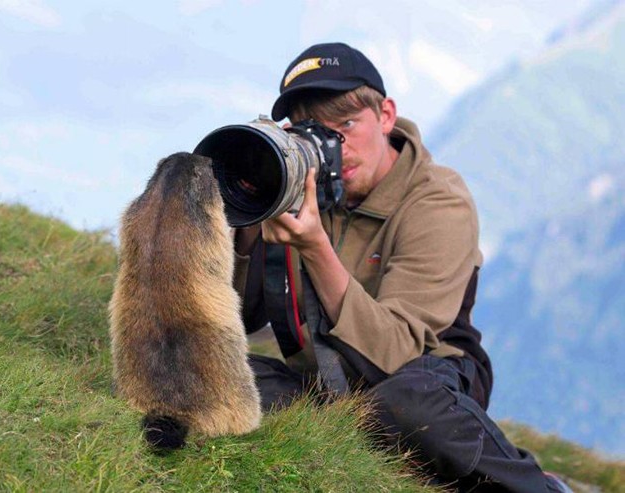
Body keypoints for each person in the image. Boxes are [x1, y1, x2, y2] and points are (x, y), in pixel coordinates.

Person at [232, 42, 572, 493]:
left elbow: (396, 354)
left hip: (431, 375)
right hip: (327, 381)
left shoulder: (437, 200)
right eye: (312, 132)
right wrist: (250, 213)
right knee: (219, 376)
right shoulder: (302, 192)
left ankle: (539, 487)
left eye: (347, 124)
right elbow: (240, 319)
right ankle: (395, 459)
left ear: (386, 115)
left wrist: (315, 247)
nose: (334, 146)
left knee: (406, 404)